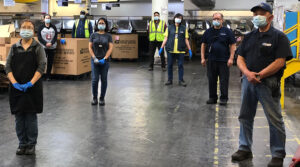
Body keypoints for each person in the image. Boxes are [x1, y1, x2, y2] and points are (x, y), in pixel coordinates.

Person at [231, 3, 293, 167]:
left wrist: (260, 74)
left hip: (268, 83)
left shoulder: (279, 37)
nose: (257, 16)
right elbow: (240, 57)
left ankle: (278, 154)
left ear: (270, 17)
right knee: (245, 116)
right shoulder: (250, 36)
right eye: (255, 13)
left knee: (274, 119)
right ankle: (244, 148)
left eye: (261, 13)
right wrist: (248, 73)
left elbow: (280, 62)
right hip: (248, 82)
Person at [5, 19, 47, 155]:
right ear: (19, 30)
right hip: (16, 88)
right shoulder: (14, 47)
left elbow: (41, 67)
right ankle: (21, 143)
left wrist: (30, 83)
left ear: (33, 31)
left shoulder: (38, 47)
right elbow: (8, 67)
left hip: (32, 87)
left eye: (29, 27)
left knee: (30, 116)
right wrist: (15, 83)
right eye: (24, 27)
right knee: (18, 117)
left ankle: (31, 144)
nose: (26, 29)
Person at [201, 12, 236, 105]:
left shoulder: (228, 32)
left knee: (224, 80)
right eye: (214, 19)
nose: (216, 21)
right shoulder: (208, 32)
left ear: (222, 20)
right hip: (211, 60)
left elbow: (233, 45)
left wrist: (231, 58)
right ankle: (212, 97)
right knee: (211, 79)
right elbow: (203, 44)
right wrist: (202, 58)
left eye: (218, 19)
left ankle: (224, 98)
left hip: (224, 60)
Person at [159, 13, 192, 87]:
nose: (178, 19)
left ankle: (181, 80)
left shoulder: (184, 28)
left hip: (181, 50)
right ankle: (169, 80)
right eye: (177, 18)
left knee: (180, 65)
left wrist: (189, 49)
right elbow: (165, 38)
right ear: (174, 18)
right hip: (170, 50)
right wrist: (161, 47)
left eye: (180, 18)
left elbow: (186, 40)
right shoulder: (169, 28)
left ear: (181, 20)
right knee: (170, 65)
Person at [89, 18, 113, 106]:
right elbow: (90, 47)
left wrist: (105, 58)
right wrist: (94, 57)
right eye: (99, 23)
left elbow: (110, 48)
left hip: (105, 62)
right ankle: (95, 98)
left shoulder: (108, 36)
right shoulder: (93, 35)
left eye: (103, 23)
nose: (101, 24)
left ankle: (102, 98)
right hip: (94, 61)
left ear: (106, 25)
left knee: (104, 80)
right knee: (95, 80)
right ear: (97, 24)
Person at [37, 14, 58, 81]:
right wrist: (45, 43)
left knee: (50, 62)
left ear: (50, 19)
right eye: (46, 18)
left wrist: (51, 43)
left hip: (52, 47)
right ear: (44, 19)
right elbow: (39, 37)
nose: (47, 19)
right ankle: (41, 75)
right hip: (43, 47)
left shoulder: (53, 27)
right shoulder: (41, 27)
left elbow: (55, 36)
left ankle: (48, 76)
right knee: (42, 62)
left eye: (48, 18)